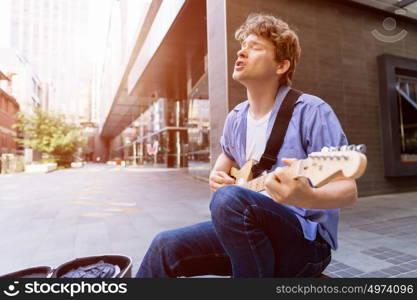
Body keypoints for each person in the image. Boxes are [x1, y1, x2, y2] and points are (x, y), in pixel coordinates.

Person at [136, 13, 357, 278]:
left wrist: (304, 196)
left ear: (281, 66)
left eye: (255, 47)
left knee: (230, 200)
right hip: (248, 230)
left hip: (306, 243)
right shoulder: (236, 118)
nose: (242, 52)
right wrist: (217, 177)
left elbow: (348, 190)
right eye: (242, 47)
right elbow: (225, 160)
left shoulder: (312, 111)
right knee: (165, 246)